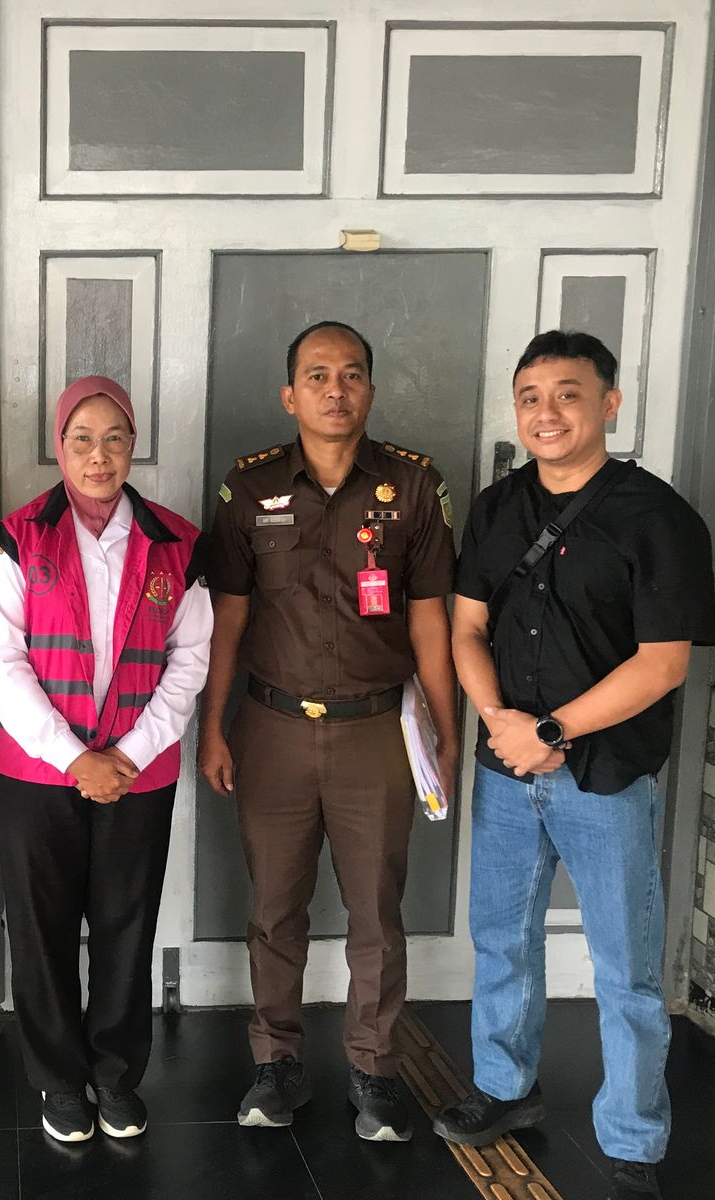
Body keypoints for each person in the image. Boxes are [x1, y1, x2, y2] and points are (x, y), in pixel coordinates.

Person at [435, 330, 715, 1200]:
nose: (546, 412)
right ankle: (504, 1088)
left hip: (607, 778)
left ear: (609, 403)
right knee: (502, 939)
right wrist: (498, 721)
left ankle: (633, 1141)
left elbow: (663, 663)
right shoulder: (497, 508)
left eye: (568, 393)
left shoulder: (659, 518)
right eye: (530, 396)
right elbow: (466, 627)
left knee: (625, 966)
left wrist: (550, 731)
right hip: (507, 771)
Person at [199, 320, 458, 1141]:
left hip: (376, 733)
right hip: (271, 728)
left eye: (350, 374)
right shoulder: (249, 488)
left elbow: (431, 621)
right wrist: (213, 728)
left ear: (370, 389)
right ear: (290, 394)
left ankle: (375, 1069)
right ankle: (276, 1063)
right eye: (317, 375)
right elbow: (226, 621)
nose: (335, 390)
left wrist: (447, 732)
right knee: (274, 909)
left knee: (377, 912)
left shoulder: (414, 486)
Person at [0, 376, 212, 1143]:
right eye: (82, 438)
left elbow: (190, 661)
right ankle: (58, 1082)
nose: (98, 455)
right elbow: (2, 661)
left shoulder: (177, 543)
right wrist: (75, 757)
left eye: (115, 438)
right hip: (34, 774)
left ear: (133, 445)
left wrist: (129, 755)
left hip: (140, 774)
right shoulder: (19, 537)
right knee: (40, 930)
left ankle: (114, 1075)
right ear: (59, 445)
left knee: (125, 926)